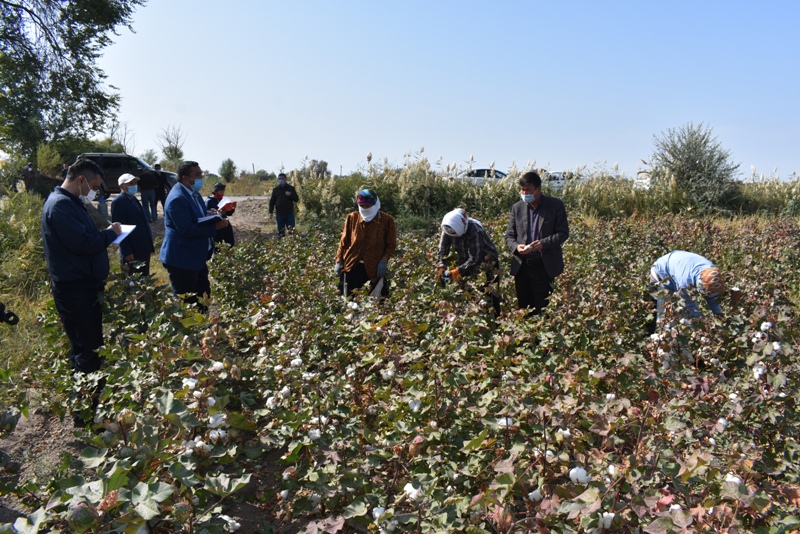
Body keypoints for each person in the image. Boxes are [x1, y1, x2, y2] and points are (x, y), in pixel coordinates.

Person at [41, 159, 122, 376]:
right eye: (94, 187)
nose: (94, 192)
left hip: (83, 287)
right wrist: (110, 234)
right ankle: (84, 404)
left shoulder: (70, 202)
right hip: (75, 290)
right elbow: (82, 243)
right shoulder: (60, 205)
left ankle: (87, 393)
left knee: (89, 345)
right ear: (81, 179)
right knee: (87, 350)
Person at [159, 161, 229, 310]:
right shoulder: (177, 198)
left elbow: (197, 216)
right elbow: (187, 229)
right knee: (187, 304)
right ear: (185, 177)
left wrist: (210, 214)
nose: (201, 178)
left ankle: (203, 330)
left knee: (203, 296)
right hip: (182, 258)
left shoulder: (193, 193)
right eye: (197, 175)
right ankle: (189, 332)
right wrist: (214, 227)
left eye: (201, 174)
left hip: (196, 256)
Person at [505, 171, 569, 313]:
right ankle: (528, 335)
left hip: (544, 266)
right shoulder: (517, 208)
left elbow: (563, 233)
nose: (524, 192)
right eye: (522, 189)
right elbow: (509, 235)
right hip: (522, 266)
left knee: (544, 309)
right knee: (524, 308)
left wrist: (544, 243)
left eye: (528, 190)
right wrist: (516, 247)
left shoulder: (555, 205)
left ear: (538, 189)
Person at [437, 208, 501, 315]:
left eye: (454, 232)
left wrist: (457, 271)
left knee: (490, 296)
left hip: (487, 263)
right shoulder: (448, 228)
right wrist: (441, 265)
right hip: (466, 262)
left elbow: (475, 258)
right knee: (469, 294)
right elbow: (442, 251)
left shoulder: (475, 230)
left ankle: (495, 324)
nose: (452, 233)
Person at [334, 189, 396, 298]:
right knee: (348, 302)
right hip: (352, 266)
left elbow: (391, 244)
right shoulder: (352, 218)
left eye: (368, 207)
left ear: (375, 205)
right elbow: (344, 242)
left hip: (374, 269)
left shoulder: (386, 221)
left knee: (376, 304)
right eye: (363, 207)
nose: (366, 209)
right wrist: (339, 260)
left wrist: (384, 260)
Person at [650, 250, 725, 321]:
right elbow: (688, 307)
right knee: (665, 316)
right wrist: (699, 322)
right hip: (661, 273)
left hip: (677, 266)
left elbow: (712, 298)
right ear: (700, 284)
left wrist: (720, 317)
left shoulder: (712, 270)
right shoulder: (685, 282)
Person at [111, 173, 154, 275]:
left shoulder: (134, 199)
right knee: (132, 282)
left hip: (143, 248)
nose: (134, 185)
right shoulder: (119, 202)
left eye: (135, 182)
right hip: (132, 250)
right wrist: (127, 251)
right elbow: (119, 229)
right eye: (131, 183)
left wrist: (149, 246)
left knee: (144, 280)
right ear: (121, 186)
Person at [206, 181, 236, 247]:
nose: (222, 194)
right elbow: (208, 216)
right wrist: (218, 213)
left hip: (226, 224)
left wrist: (232, 208)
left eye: (223, 192)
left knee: (230, 244)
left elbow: (228, 213)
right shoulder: (209, 201)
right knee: (218, 246)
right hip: (217, 226)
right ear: (215, 192)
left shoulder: (222, 199)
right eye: (220, 192)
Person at [269, 172, 299, 238]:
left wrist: (290, 195)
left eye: (282, 178)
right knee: (281, 232)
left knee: (291, 231)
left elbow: (296, 199)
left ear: (285, 179)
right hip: (279, 214)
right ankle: (281, 245)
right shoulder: (276, 190)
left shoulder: (291, 188)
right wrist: (270, 212)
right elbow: (272, 201)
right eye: (279, 179)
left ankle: (292, 245)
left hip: (289, 214)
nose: (280, 180)